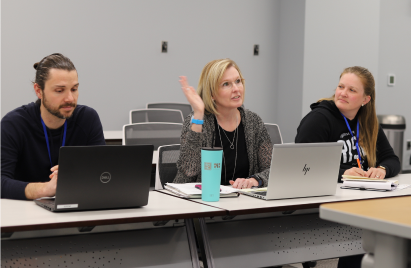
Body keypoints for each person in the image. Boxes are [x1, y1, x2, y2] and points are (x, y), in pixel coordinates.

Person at [295, 66, 400, 268]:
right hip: (325, 205)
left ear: (365, 99)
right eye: (341, 86)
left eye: (352, 90)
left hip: (361, 204)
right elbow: (303, 167)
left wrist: (383, 169)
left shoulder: (368, 122)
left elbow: (392, 159)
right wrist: (343, 173)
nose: (342, 93)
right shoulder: (318, 119)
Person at [0, 53, 105, 200]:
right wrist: (45, 189)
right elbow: (1, 182)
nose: (70, 98)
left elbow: (104, 172)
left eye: (74, 89)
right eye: (59, 91)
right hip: (25, 214)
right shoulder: (14, 124)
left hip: (75, 208)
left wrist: (78, 173)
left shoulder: (88, 118)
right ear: (38, 91)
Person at [173, 59, 272, 189]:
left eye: (238, 81)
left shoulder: (254, 122)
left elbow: (272, 169)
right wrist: (198, 114)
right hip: (201, 202)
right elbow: (188, 172)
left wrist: (254, 180)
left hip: (243, 202)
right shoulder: (197, 121)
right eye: (226, 84)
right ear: (212, 94)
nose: (236, 89)